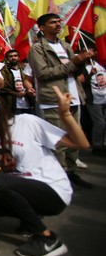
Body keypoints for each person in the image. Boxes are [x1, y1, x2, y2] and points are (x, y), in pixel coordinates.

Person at [0, 89, 89, 256]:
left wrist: (65, 114)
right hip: (23, 189)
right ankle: (29, 218)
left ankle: (47, 238)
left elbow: (81, 143)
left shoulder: (26, 122)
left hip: (52, 190)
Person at [28, 13, 93, 188]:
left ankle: (71, 172)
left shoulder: (65, 46)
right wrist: (73, 63)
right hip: (54, 100)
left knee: (74, 137)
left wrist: (82, 61)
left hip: (73, 98)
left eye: (59, 21)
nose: (58, 24)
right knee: (59, 140)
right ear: (42, 27)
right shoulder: (38, 48)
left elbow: (75, 71)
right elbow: (43, 73)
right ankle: (59, 176)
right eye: (53, 22)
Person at [0, 50, 35, 115]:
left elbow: (31, 82)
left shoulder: (25, 69)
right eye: (10, 56)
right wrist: (16, 94)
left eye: (15, 56)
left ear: (18, 57)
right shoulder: (3, 71)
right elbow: (2, 88)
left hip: (28, 103)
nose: (13, 58)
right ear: (7, 59)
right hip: (13, 105)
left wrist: (29, 91)